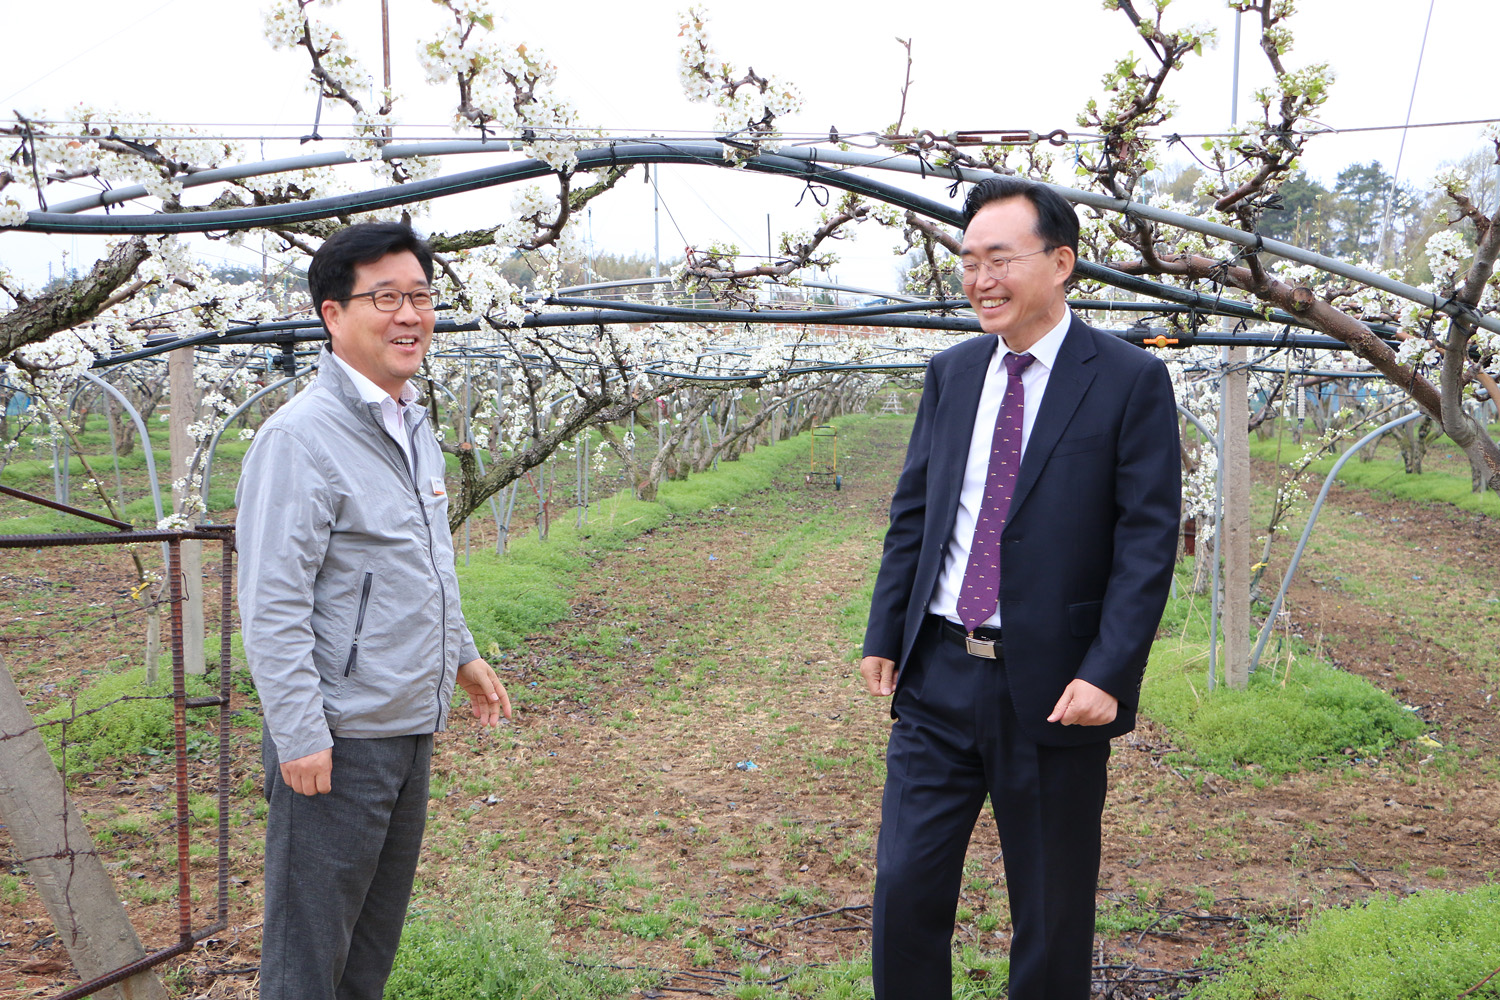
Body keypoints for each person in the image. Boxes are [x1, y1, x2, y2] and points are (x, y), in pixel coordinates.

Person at [860, 176, 1181, 999]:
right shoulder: (953, 372)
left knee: (1050, 908)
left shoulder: (1125, 380)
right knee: (904, 887)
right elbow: (916, 514)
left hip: (1054, 683)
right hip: (938, 671)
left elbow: (1146, 543)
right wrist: (883, 633)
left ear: (1061, 262)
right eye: (967, 262)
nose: (979, 279)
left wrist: (1109, 671)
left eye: (999, 258)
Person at [236, 221, 512, 1000]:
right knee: (308, 960)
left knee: (368, 951)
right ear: (333, 315)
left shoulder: (408, 421)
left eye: (420, 296)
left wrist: (461, 653)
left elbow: (422, 560)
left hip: (405, 724)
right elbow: (272, 602)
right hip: (336, 740)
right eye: (385, 297)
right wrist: (299, 733)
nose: (409, 315)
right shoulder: (300, 439)